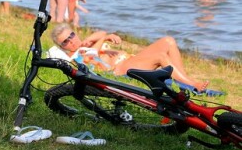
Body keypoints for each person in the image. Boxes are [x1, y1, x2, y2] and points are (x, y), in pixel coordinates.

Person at [51, 24, 210, 92]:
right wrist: (104, 40)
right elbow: (93, 53)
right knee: (161, 56)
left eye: (71, 35)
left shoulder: (85, 46)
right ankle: (192, 84)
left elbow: (100, 33)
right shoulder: (77, 56)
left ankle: (184, 81)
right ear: (62, 47)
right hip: (121, 69)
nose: (71, 41)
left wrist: (91, 39)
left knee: (168, 41)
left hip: (129, 60)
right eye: (65, 41)